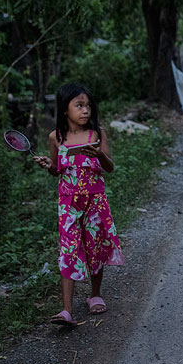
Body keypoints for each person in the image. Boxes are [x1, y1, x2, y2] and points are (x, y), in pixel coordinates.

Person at [34, 83, 124, 325]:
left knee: (95, 247)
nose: (86, 111)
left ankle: (94, 295)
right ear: (65, 109)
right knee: (68, 251)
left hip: (95, 201)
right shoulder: (56, 137)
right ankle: (66, 310)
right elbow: (57, 170)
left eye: (88, 106)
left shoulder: (97, 134)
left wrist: (100, 155)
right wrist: (48, 165)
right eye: (79, 106)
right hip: (68, 204)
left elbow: (110, 167)